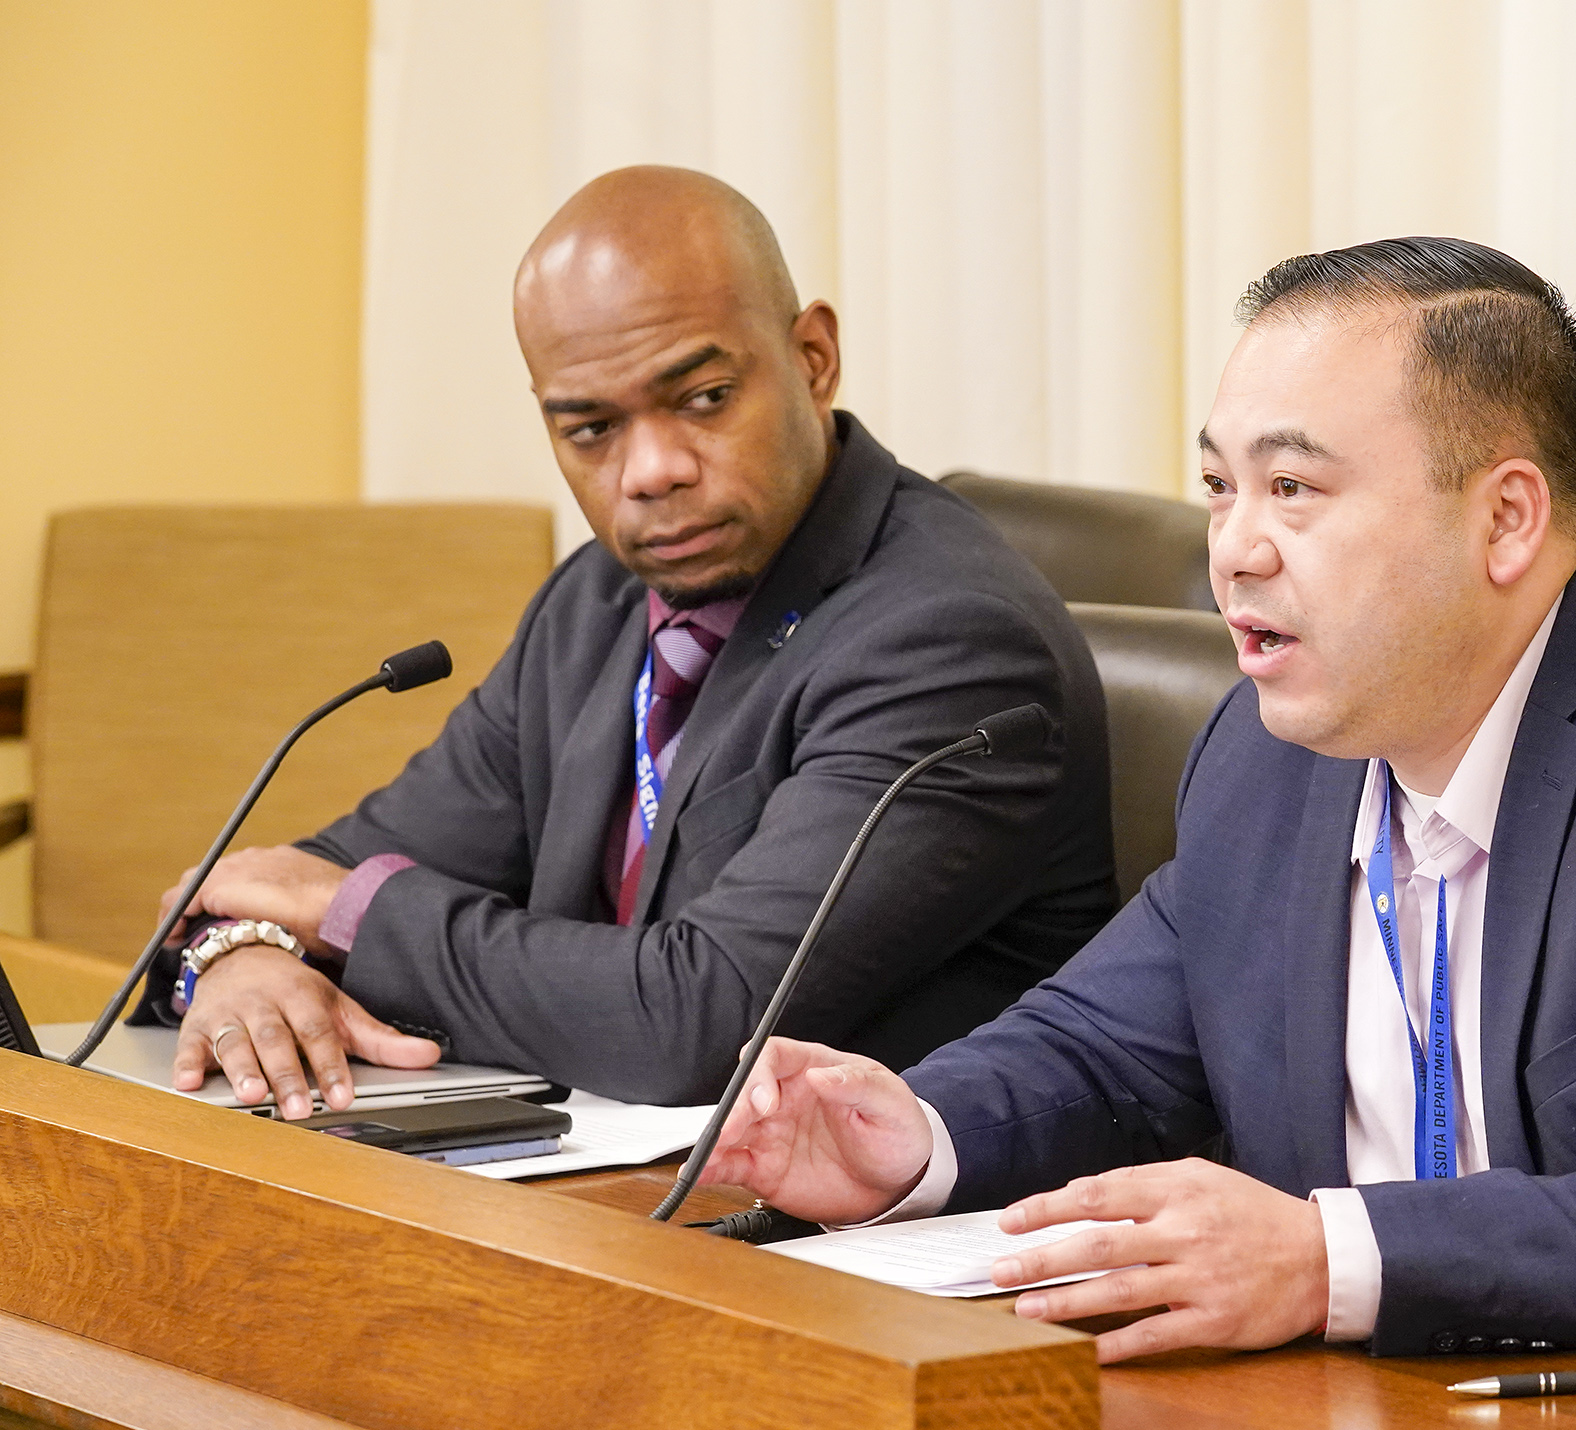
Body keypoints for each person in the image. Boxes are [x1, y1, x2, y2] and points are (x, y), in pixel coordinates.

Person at [698, 237, 1576, 1417]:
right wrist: (919, 1134)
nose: (1235, 546)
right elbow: (1108, 1039)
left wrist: (1331, 1258)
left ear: (1504, 519)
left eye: (1296, 489)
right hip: (1442, 1429)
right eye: (1219, 486)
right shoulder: (1269, 751)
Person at [147, 166, 1118, 1120]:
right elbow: (290, 880)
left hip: (860, 1238)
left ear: (813, 357)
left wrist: (348, 912)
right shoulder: (598, 602)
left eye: (702, 399)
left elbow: (703, 1024)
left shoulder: (949, 641)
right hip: (606, 1187)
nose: (650, 472)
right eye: (593, 429)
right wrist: (241, 961)